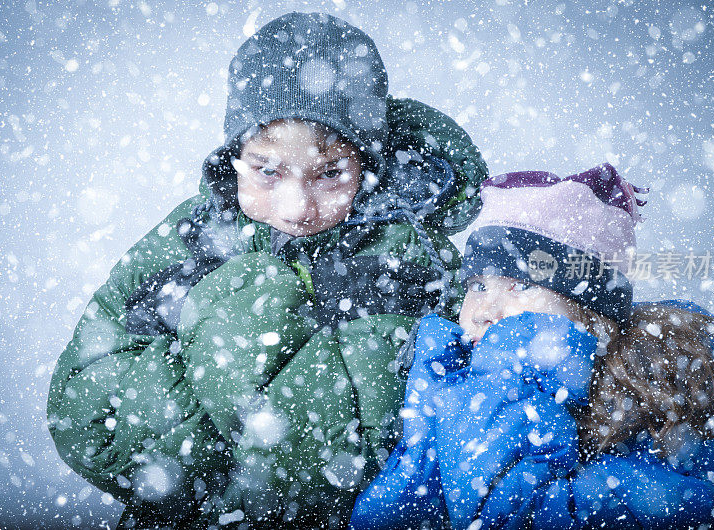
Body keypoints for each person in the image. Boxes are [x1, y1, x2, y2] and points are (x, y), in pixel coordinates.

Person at [46, 11, 489, 530]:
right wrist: (234, 342)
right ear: (236, 156)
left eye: (330, 172)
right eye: (267, 170)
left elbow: (451, 427)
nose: (296, 205)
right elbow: (88, 419)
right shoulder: (194, 237)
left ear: (367, 164)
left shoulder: (415, 261)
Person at [350, 164, 714, 529]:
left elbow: (512, 514)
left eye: (522, 286)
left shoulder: (643, 414)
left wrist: (505, 383)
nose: (485, 310)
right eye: (478, 285)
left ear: (590, 314)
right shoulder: (448, 382)